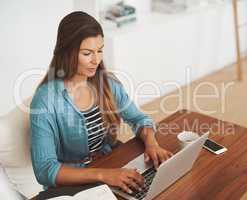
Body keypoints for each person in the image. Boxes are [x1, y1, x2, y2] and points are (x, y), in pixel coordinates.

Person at [30, 11, 172, 194]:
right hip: (75, 183)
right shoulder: (45, 101)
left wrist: (152, 143)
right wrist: (104, 175)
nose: (96, 60)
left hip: (109, 163)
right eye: (87, 53)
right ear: (67, 52)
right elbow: (45, 170)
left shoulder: (106, 84)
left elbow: (139, 119)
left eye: (100, 50)